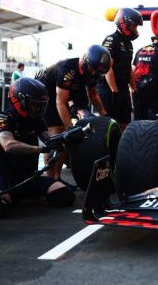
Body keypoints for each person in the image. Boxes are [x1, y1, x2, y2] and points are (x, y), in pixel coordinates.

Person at [0, 78, 75, 218]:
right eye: (34, 105)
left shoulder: (36, 121)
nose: (38, 109)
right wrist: (40, 149)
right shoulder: (3, 119)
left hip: (28, 178)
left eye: (40, 105)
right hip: (4, 178)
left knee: (65, 196)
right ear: (18, 101)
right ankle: (11, 197)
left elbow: (50, 140)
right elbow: (8, 145)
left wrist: (68, 138)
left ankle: (20, 197)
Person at [40, 45, 110, 185]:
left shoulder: (93, 72)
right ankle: (49, 180)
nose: (94, 74)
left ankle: (57, 178)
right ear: (85, 62)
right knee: (57, 136)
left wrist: (104, 113)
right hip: (48, 95)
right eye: (93, 70)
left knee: (68, 140)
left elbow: (93, 95)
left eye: (98, 73)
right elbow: (60, 103)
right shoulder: (67, 70)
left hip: (71, 90)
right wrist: (69, 129)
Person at [99, 7, 143, 129]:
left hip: (122, 90)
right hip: (109, 90)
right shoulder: (111, 39)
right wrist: (114, 91)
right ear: (125, 24)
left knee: (125, 124)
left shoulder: (129, 44)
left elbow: (128, 68)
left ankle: (123, 148)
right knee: (110, 126)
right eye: (135, 26)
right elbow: (108, 67)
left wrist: (134, 89)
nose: (136, 30)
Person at [132, 36, 158, 119]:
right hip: (152, 90)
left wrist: (133, 91)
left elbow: (132, 73)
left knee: (138, 121)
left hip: (137, 91)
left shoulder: (140, 50)